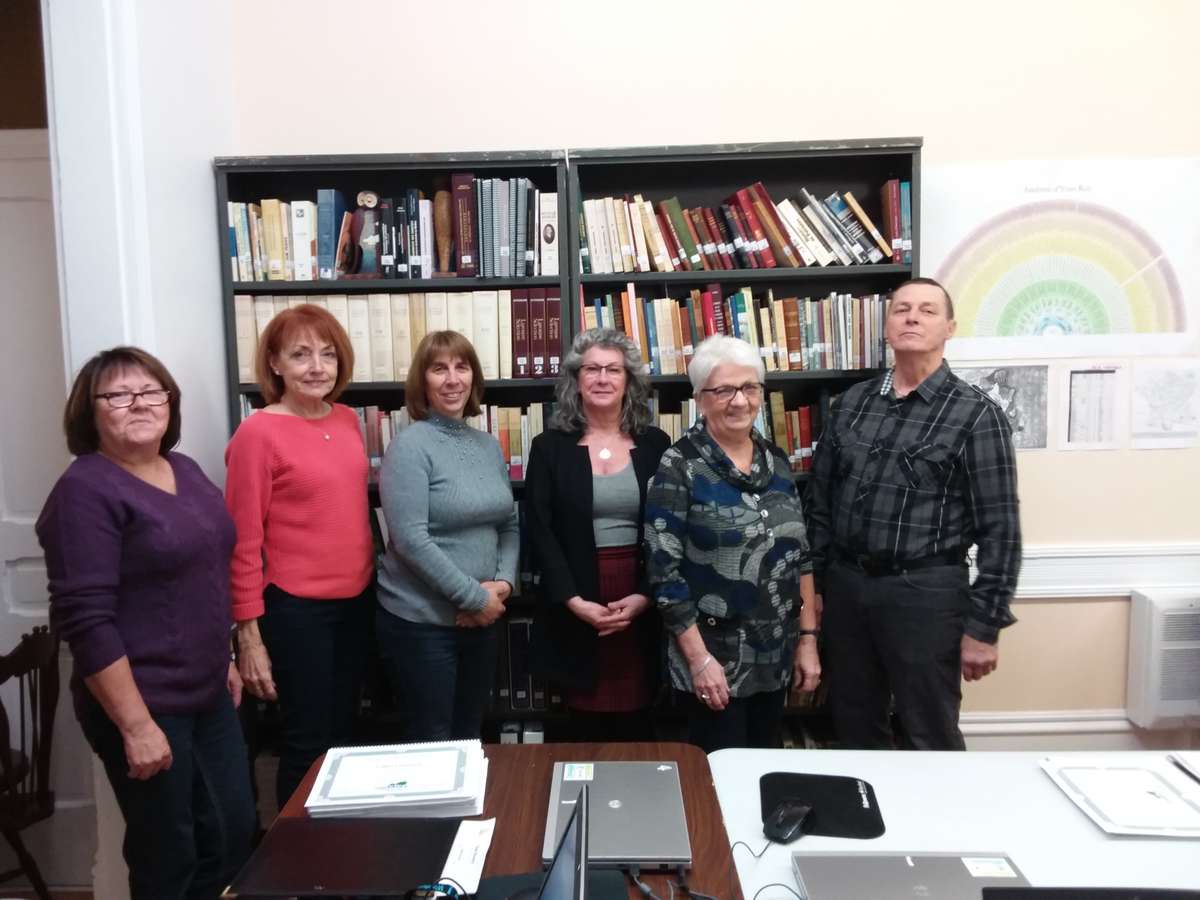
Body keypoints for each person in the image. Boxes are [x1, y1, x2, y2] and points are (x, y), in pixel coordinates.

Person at [37, 347, 255, 899]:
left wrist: (225, 655)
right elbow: (85, 620)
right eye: (117, 394)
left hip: (206, 692)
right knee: (171, 856)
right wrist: (135, 727)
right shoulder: (84, 491)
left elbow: (205, 570)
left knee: (231, 835)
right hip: (144, 702)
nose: (138, 403)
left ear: (169, 403)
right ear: (90, 412)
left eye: (151, 391)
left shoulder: (182, 469)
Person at [806, 277, 1021, 751]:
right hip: (847, 589)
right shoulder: (852, 405)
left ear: (949, 328)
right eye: (901, 309)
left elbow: (1001, 532)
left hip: (925, 594)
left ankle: (939, 824)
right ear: (886, 327)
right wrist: (817, 587)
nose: (912, 318)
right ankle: (868, 820)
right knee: (854, 723)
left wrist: (985, 628)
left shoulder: (977, 415)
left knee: (929, 729)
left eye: (926, 310)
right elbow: (820, 503)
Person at [224, 304, 374, 809]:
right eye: (301, 354)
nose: (317, 367)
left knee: (347, 736)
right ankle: (298, 867)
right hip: (295, 609)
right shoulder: (258, 433)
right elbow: (242, 542)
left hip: (357, 601)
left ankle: (343, 856)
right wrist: (249, 636)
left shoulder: (348, 419)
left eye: (328, 355)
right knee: (309, 742)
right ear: (274, 364)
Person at [645, 335, 821, 753]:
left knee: (760, 772)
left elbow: (802, 557)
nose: (739, 401)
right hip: (713, 659)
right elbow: (662, 575)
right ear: (700, 399)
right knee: (717, 780)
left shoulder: (776, 461)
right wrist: (699, 661)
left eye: (749, 388)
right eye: (723, 390)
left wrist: (808, 640)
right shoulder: (680, 465)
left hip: (775, 654)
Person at [526, 328, 671, 741]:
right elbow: (540, 529)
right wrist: (573, 601)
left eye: (613, 369)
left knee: (638, 716)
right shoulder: (549, 447)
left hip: (641, 595)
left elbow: (670, 528)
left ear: (630, 381)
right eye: (591, 369)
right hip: (574, 595)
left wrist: (645, 595)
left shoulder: (656, 445)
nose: (602, 378)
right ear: (576, 379)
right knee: (581, 722)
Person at [376, 330, 519, 741]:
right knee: (431, 741)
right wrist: (475, 599)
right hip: (421, 623)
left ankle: (467, 810)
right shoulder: (409, 447)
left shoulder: (488, 446)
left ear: (473, 377)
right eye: (439, 369)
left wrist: (503, 585)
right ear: (423, 381)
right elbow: (409, 539)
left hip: (484, 618)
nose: (452, 379)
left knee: (470, 734)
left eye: (462, 367)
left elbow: (507, 523)